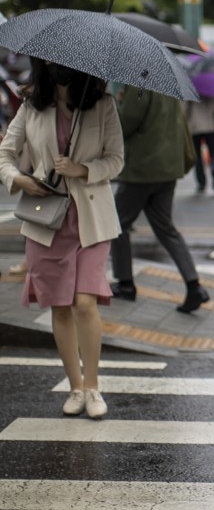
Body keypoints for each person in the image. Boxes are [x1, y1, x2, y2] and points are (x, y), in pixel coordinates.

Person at [0, 59, 124, 419]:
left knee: (84, 302)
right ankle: (74, 386)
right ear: (44, 67)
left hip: (91, 217)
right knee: (59, 304)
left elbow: (116, 160)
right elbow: (5, 155)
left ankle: (93, 386)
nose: (61, 68)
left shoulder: (102, 105)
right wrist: (19, 180)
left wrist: (83, 169)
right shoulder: (31, 107)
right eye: (54, 64)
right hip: (45, 219)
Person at [108, 85, 211, 314]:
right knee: (165, 228)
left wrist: (120, 104)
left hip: (144, 168)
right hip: (168, 167)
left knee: (117, 223)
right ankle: (194, 285)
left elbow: (128, 121)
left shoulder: (141, 86)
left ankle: (125, 283)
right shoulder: (169, 84)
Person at [186, 95, 214, 194]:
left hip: (194, 125)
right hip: (211, 125)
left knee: (197, 156)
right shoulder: (212, 90)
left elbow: (185, 109)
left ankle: (201, 182)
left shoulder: (190, 89)